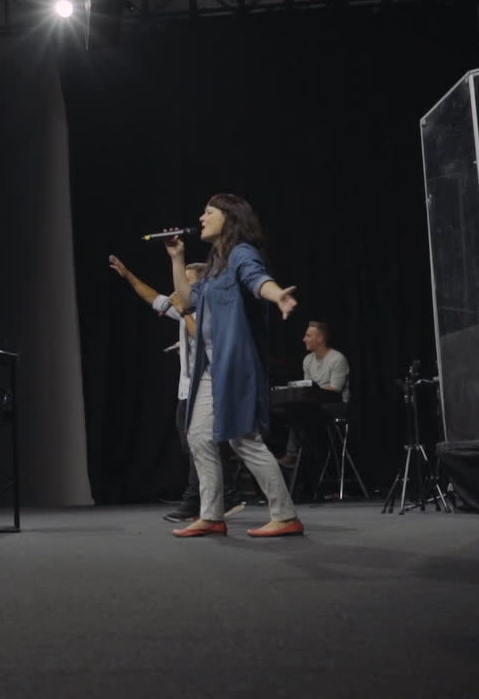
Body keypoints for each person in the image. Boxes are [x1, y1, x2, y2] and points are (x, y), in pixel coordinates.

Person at [166, 194, 305, 538]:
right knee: (198, 435)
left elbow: (258, 280)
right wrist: (177, 258)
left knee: (243, 439)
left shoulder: (242, 254)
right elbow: (187, 299)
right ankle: (212, 515)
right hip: (212, 367)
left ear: (229, 218)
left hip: (236, 364)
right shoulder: (215, 264)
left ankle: (285, 515)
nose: (201, 218)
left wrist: (278, 296)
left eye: (208, 212)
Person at [108, 255, 246, 522]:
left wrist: (183, 309)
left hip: (209, 387)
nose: (180, 285)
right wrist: (128, 275)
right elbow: (152, 298)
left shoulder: (210, 310)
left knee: (202, 443)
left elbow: (203, 337)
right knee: (190, 445)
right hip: (187, 389)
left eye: (188, 281)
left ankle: (198, 500)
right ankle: (222, 493)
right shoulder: (186, 309)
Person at [280, 321, 351, 467]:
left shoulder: (337, 359)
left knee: (305, 413)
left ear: (320, 338)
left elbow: (336, 389)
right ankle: (299, 455)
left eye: (308, 336)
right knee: (295, 411)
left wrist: (317, 389)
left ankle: (303, 455)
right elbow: (307, 388)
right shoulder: (307, 360)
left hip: (337, 405)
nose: (304, 339)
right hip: (317, 403)